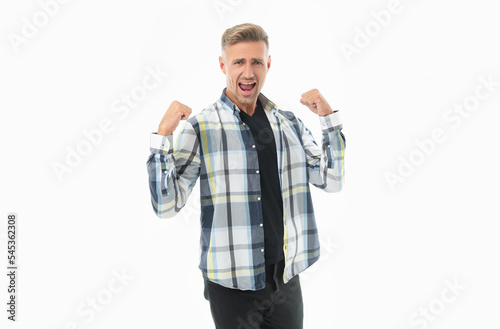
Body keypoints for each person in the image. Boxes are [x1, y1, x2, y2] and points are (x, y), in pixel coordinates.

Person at [147, 23, 345, 329]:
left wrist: (328, 119)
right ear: (223, 65)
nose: (248, 72)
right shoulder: (201, 128)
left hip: (284, 278)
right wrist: (163, 136)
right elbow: (165, 205)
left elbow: (331, 180)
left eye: (256, 62)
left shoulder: (288, 124)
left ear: (268, 64)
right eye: (239, 62)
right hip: (231, 283)